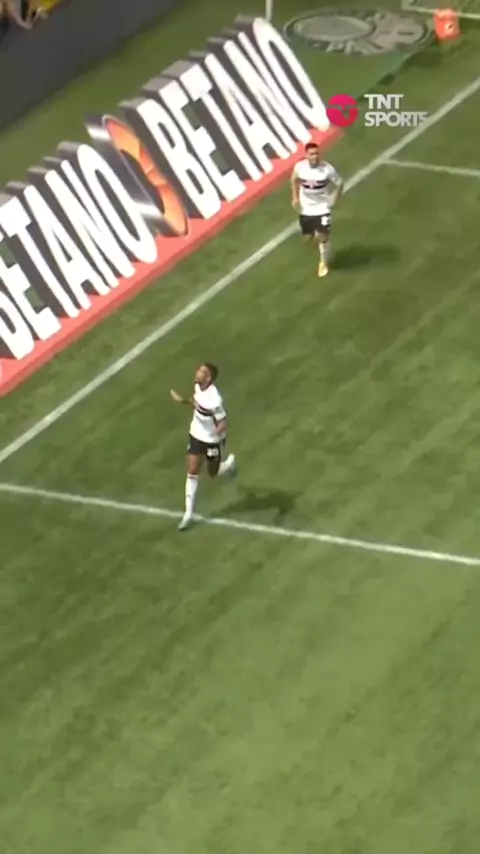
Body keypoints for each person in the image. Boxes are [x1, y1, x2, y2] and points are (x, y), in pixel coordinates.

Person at [170, 362, 237, 531]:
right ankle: (188, 514)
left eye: (202, 371)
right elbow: (197, 405)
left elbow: (223, 421)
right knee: (192, 471)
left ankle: (229, 465)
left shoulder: (215, 400)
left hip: (212, 440)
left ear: (208, 378)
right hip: (196, 435)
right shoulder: (198, 387)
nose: (197, 372)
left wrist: (217, 433)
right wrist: (183, 401)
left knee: (213, 472)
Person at [291, 141, 343, 278]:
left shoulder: (327, 169)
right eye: (312, 154)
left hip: (323, 207)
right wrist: (295, 197)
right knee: (308, 239)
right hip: (307, 208)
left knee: (321, 236)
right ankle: (326, 246)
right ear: (306, 155)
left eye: (317, 154)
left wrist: (335, 198)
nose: (315, 157)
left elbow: (339, 183)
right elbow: (294, 180)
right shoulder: (300, 167)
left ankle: (323, 263)